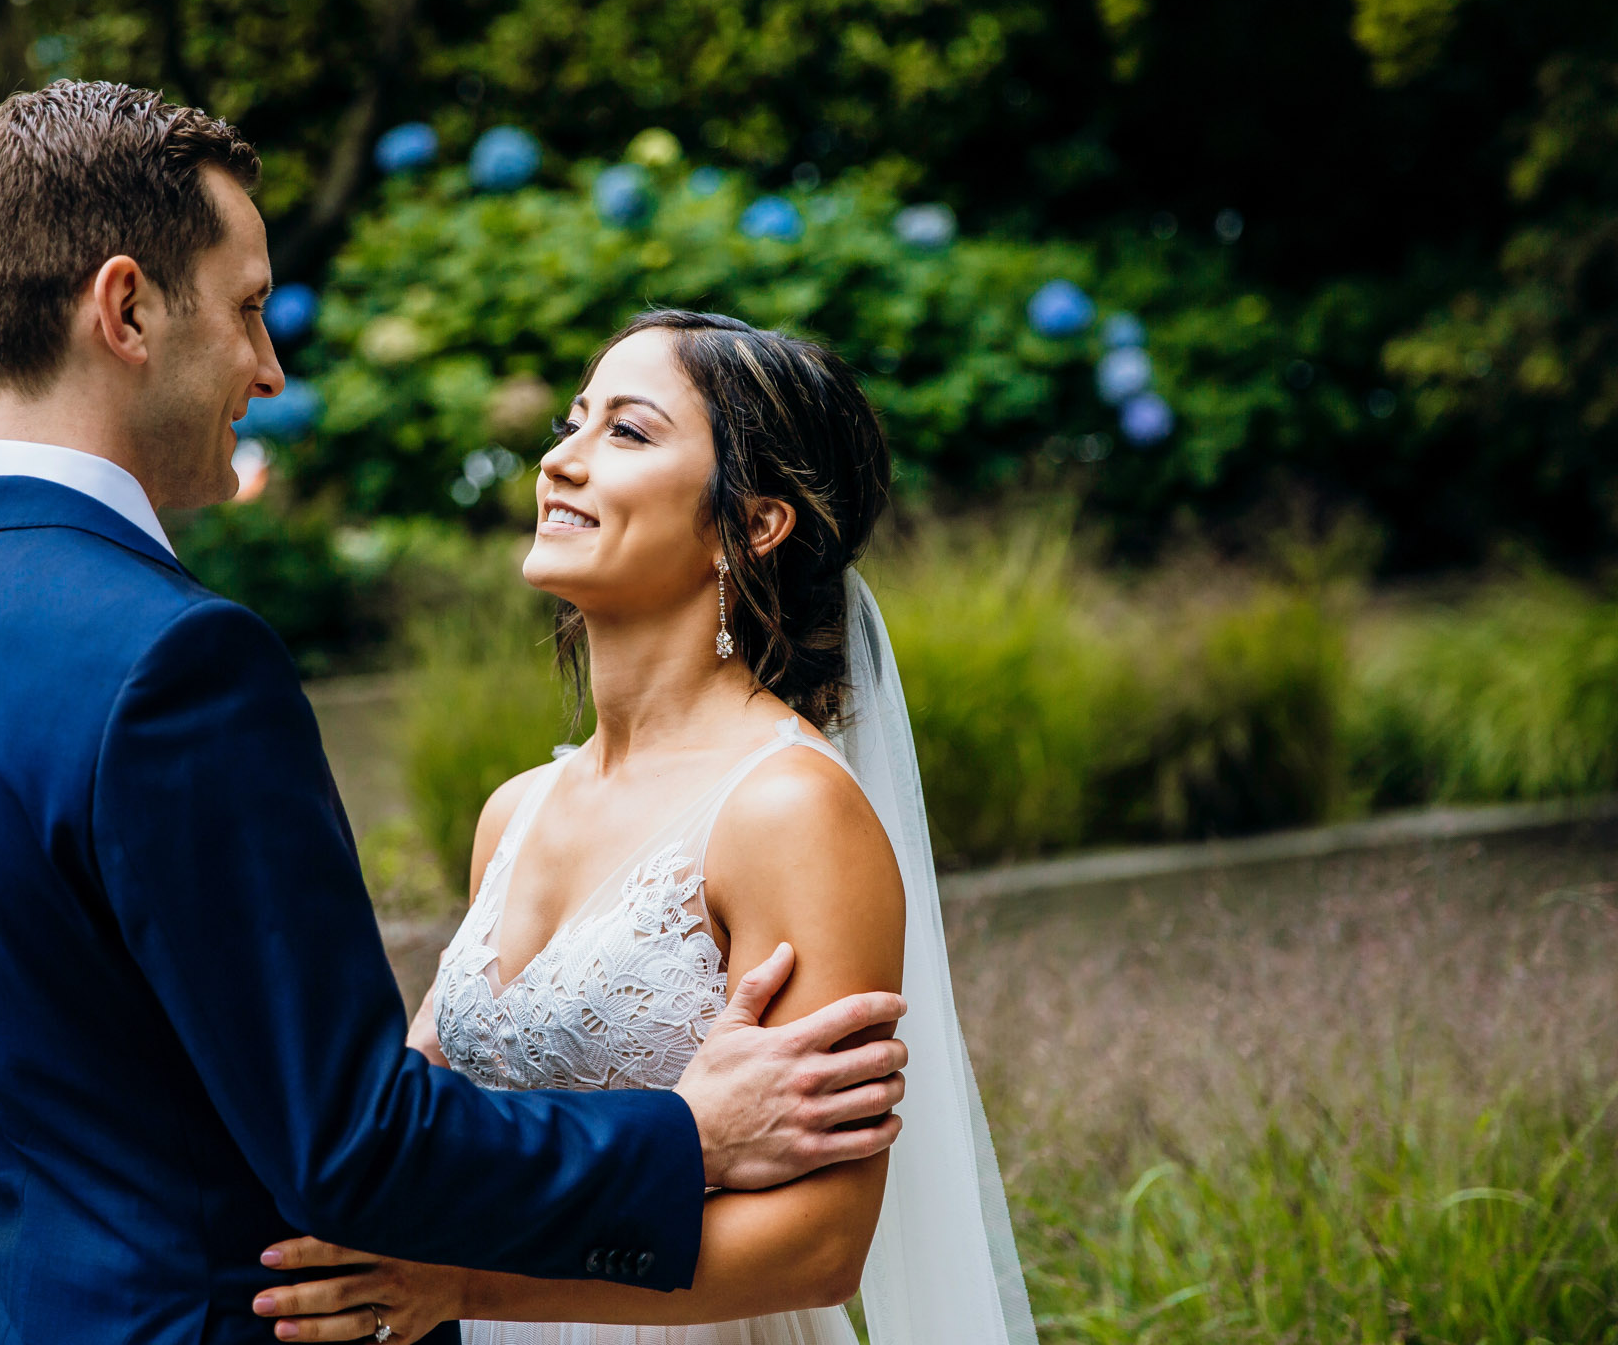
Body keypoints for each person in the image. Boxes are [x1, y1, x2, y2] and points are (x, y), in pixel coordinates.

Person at [0, 84, 913, 1345]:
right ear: (124, 309)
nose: (269, 368)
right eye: (245, 311)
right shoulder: (177, 664)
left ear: (755, 521)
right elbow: (349, 1137)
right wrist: (687, 1133)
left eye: (625, 429)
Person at [247, 313, 1038, 1345]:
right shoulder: (516, 811)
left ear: (753, 525)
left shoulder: (789, 811)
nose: (559, 461)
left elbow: (819, 1246)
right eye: (573, 423)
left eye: (626, 432)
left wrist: (463, 1286)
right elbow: (431, 1123)